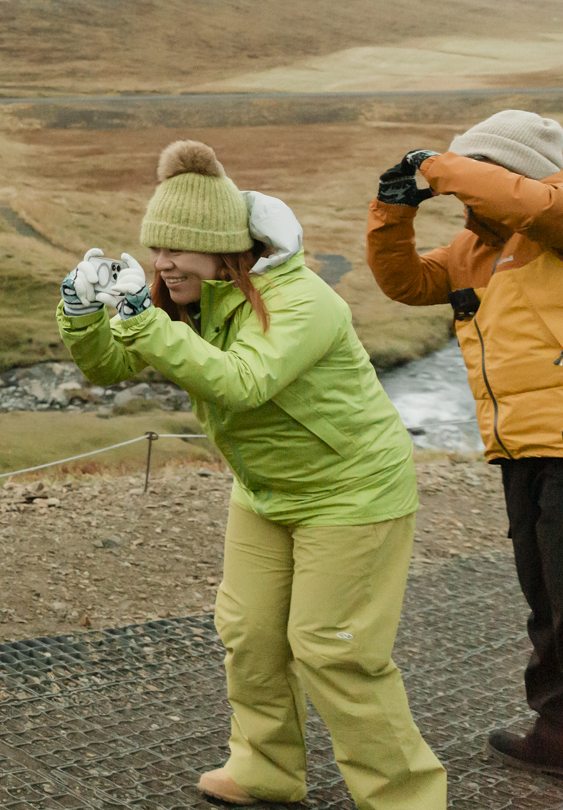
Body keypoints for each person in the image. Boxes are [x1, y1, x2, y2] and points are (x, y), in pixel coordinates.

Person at [57, 140, 444, 809]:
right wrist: (83, 314)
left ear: (222, 247)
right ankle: (266, 769)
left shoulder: (302, 301)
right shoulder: (189, 301)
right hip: (267, 491)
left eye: (175, 248)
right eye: (156, 248)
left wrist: (145, 322)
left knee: (333, 648)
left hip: (354, 491)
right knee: (251, 632)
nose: (162, 261)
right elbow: (108, 368)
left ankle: (406, 798)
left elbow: (245, 382)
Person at [366, 109, 563, 774]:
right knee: (546, 600)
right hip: (520, 449)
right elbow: (401, 280)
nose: (459, 194)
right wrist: (391, 210)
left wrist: (442, 165)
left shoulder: (555, 221)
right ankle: (559, 731)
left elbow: (538, 206)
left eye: (479, 175)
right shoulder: (469, 254)